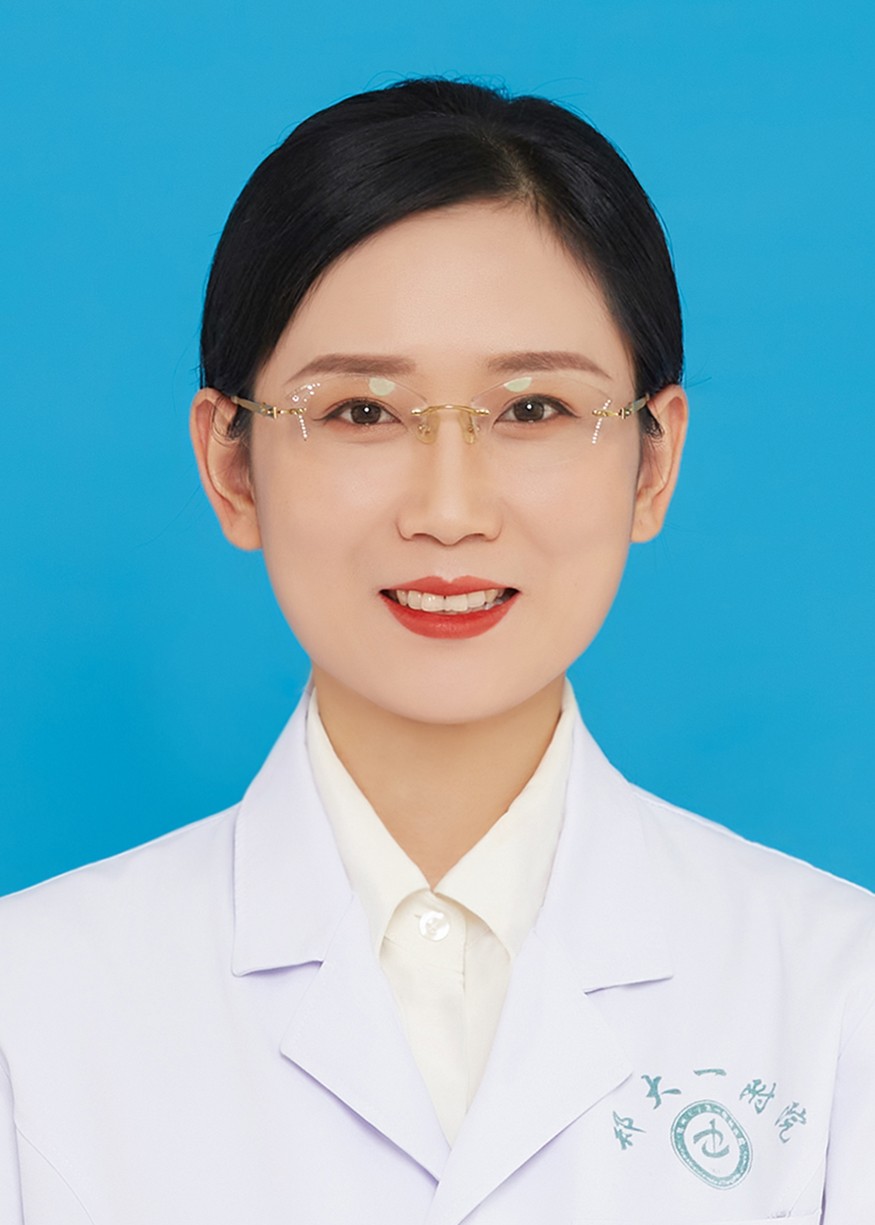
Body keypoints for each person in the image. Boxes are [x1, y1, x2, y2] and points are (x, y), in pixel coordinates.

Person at [0, 77, 871, 1224]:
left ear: (652, 462)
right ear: (231, 464)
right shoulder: (32, 1009)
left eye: (532, 410)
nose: (448, 511)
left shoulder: (835, 995)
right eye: (360, 412)